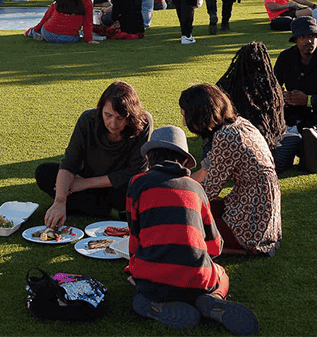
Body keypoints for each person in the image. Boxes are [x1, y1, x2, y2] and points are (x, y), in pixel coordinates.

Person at [127, 125, 260, 335]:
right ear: (184, 161)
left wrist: (134, 263)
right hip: (198, 280)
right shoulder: (197, 189)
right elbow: (215, 246)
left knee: (139, 274)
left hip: (153, 281)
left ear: (150, 158)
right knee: (222, 274)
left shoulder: (137, 183)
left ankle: (152, 303)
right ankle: (213, 300)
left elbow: (135, 234)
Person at [180, 84, 281, 257]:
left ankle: (238, 247)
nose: (184, 122)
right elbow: (206, 169)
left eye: (185, 116)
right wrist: (179, 182)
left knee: (188, 224)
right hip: (261, 208)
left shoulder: (224, 137)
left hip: (252, 214)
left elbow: (207, 192)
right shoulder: (239, 124)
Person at [37, 80, 153, 226]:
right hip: (87, 176)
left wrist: (84, 184)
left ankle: (100, 207)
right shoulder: (87, 119)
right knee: (44, 173)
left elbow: (136, 171)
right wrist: (59, 201)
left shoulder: (144, 122)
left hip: (120, 186)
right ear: (100, 109)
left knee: (141, 186)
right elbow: (69, 163)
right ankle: (108, 209)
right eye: (108, 115)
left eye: (120, 118)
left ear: (130, 116)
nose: (113, 124)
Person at [215, 42, 301, 174]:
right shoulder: (271, 90)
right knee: (293, 140)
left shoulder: (225, 87)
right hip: (263, 150)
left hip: (232, 149)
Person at [25, 0, 93, 43]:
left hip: (49, 34)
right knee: (79, 33)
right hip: (70, 37)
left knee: (44, 27)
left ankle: (33, 32)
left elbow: (47, 16)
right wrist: (88, 39)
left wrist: (37, 28)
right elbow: (87, 22)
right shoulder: (85, 1)